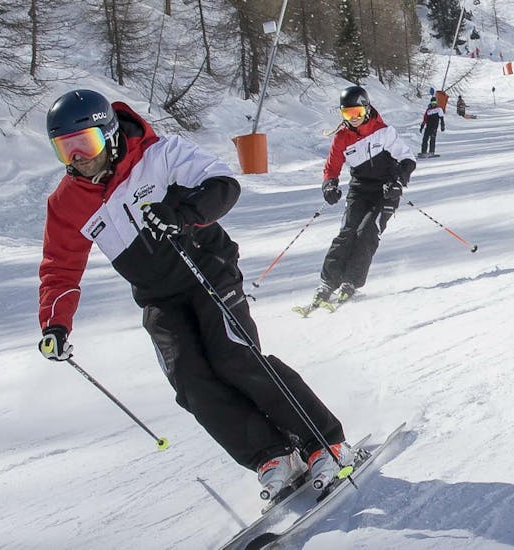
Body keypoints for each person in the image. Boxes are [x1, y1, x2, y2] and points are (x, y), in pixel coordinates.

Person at [36, 89, 347, 501]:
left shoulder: (159, 156)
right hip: (158, 296)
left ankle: (323, 441)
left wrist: (183, 214)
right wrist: (55, 325)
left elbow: (223, 183)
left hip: (207, 269)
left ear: (109, 134)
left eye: (85, 144)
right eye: (65, 149)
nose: (78, 158)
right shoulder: (66, 202)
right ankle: (271, 455)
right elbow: (60, 267)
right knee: (189, 380)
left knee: (234, 357)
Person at [309, 86, 417, 312]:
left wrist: (398, 182)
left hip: (385, 190)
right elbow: (331, 168)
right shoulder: (342, 137)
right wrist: (329, 186)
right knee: (347, 232)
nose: (353, 118)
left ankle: (351, 280)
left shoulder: (384, 132)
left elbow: (407, 159)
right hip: (359, 190)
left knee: (367, 232)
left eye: (357, 112)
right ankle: (328, 282)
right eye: (347, 114)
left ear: (366, 109)